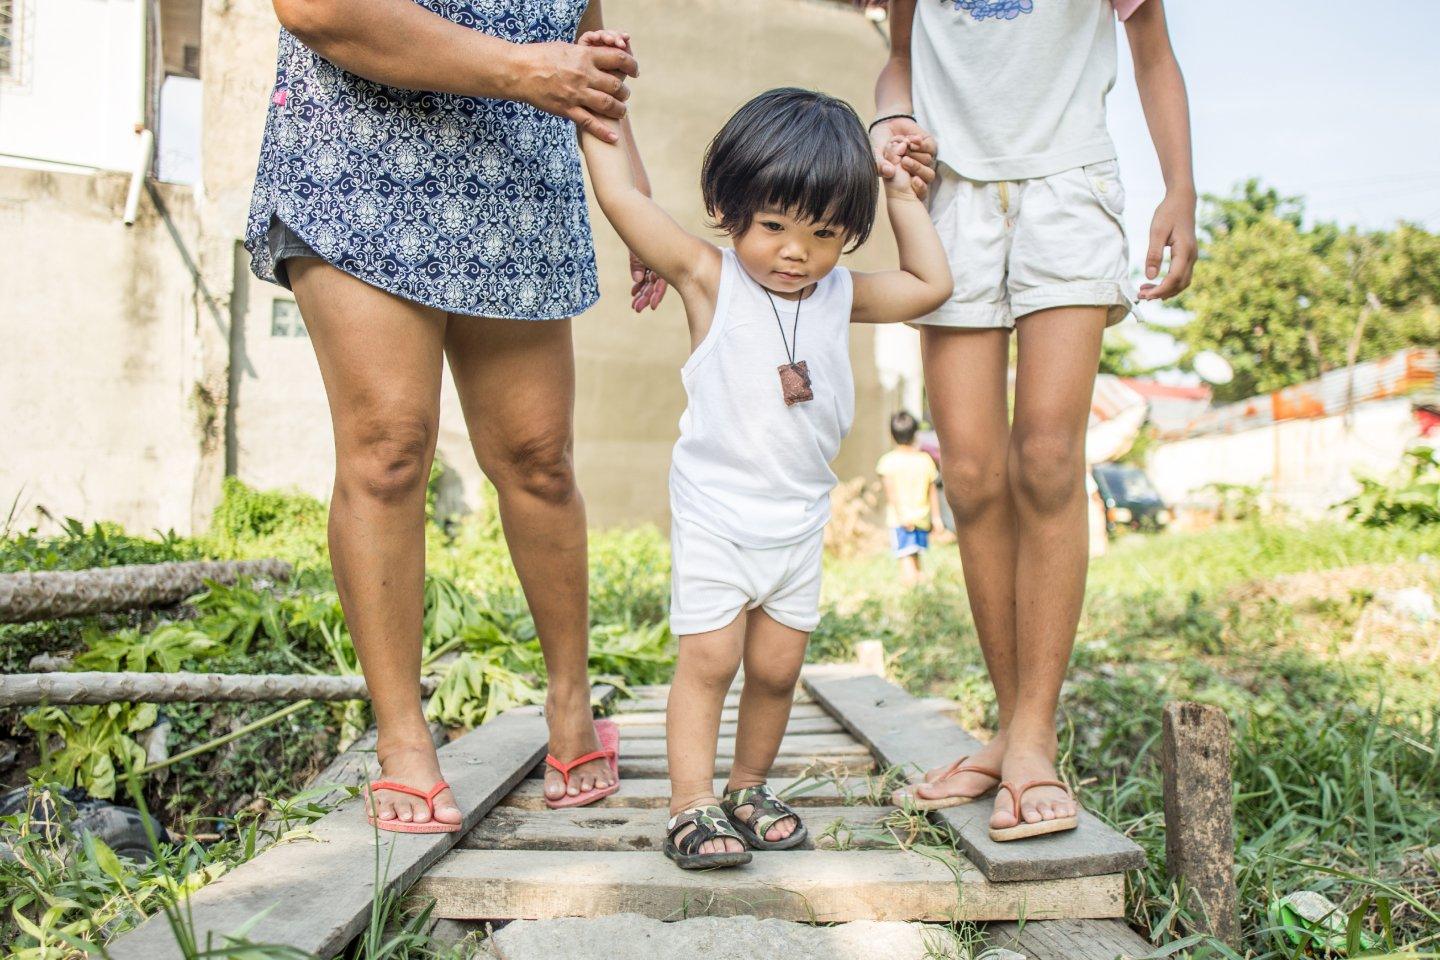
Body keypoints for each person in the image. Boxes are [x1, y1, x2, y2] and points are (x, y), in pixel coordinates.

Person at [245, 0, 665, 830]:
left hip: (517, 179)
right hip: (361, 154)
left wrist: (636, 204)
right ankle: (403, 740)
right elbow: (317, 8)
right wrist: (520, 69)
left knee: (539, 459)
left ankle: (572, 706)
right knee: (388, 450)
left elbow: (587, 52)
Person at [576, 47, 953, 867]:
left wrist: (898, 193)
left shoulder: (842, 293)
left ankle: (747, 787)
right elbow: (623, 198)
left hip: (797, 519)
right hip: (717, 512)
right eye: (775, 225)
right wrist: (594, 105)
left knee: (779, 669)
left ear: (846, 235)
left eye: (822, 234)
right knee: (710, 658)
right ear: (731, 208)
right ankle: (691, 805)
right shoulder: (710, 279)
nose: (795, 252)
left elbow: (929, 284)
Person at [874, 0, 1196, 841]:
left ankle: (1035, 737)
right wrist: (892, 117)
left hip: (1067, 185)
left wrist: (1180, 189)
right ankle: (1008, 730)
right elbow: (899, 56)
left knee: (1048, 456)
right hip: (949, 199)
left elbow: (1151, 50)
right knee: (973, 474)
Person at [876, 410, 944, 587]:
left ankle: (913, 599)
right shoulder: (925, 460)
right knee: (915, 558)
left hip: (901, 521)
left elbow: (891, 495)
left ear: (892, 435)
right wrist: (936, 519)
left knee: (906, 560)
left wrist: (901, 516)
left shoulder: (887, 462)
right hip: (922, 518)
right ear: (915, 433)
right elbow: (933, 491)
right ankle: (921, 592)